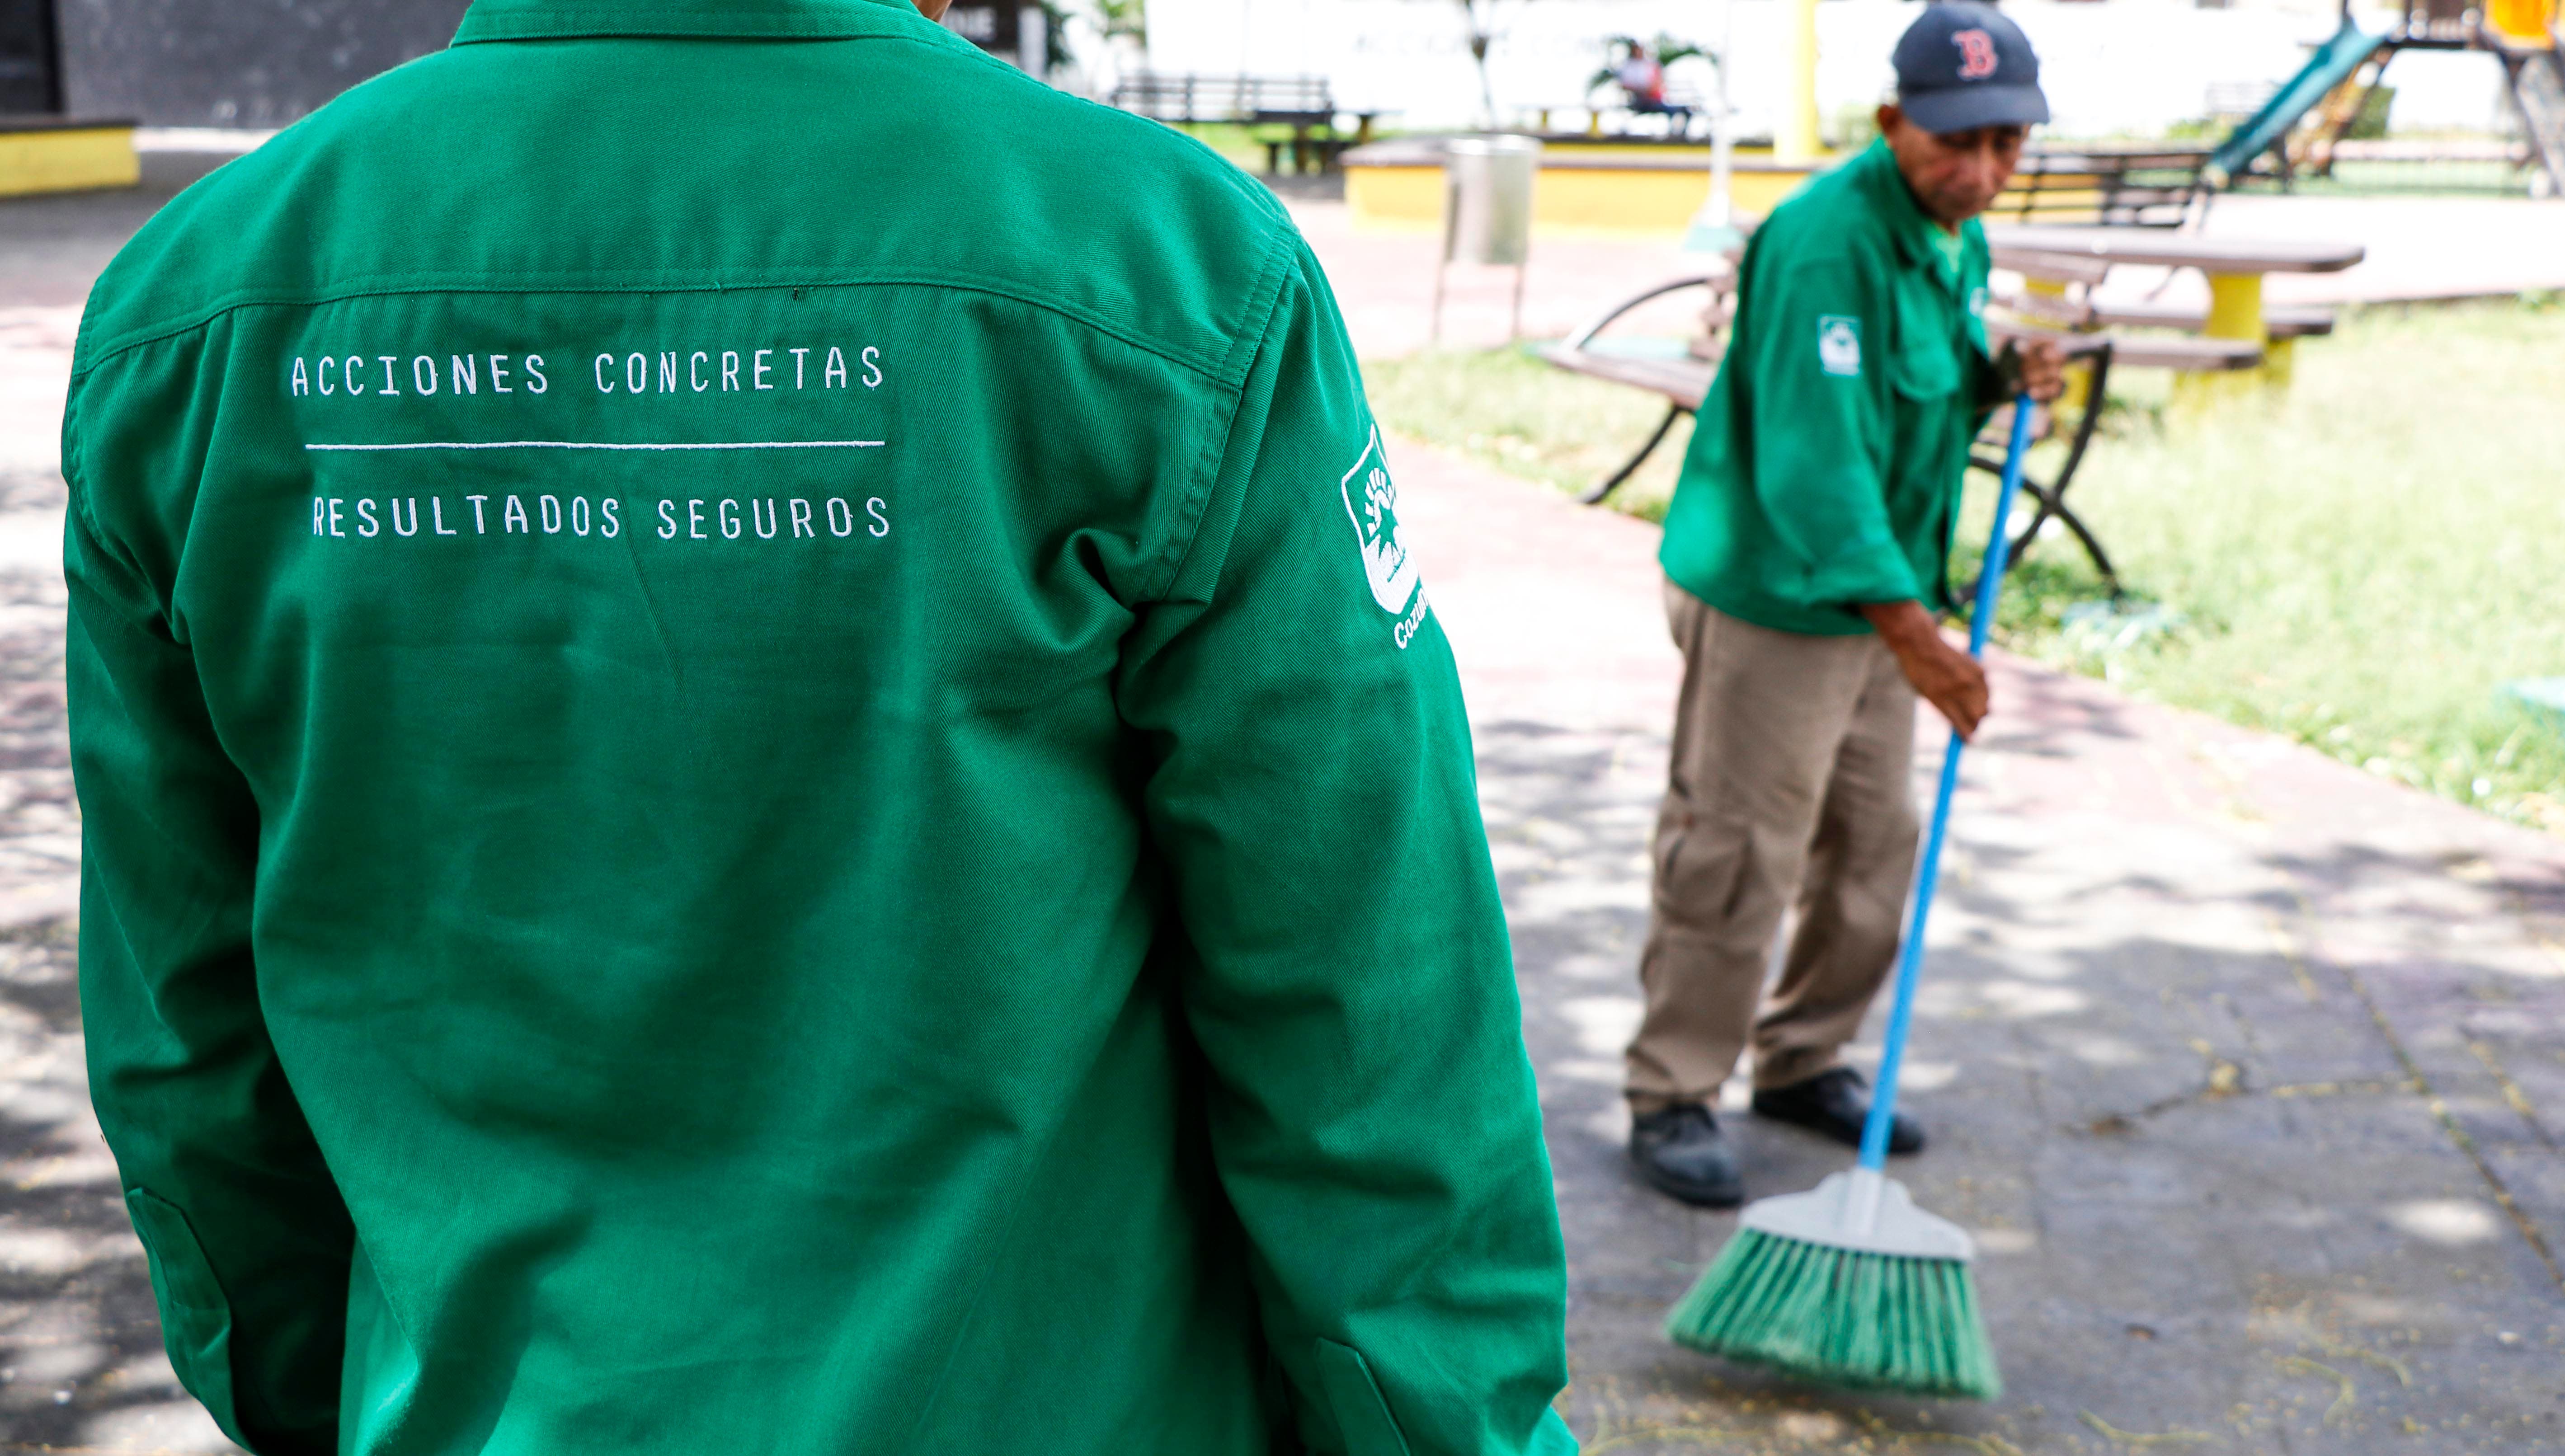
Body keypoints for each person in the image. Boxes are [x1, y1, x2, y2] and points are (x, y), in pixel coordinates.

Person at [63, 0, 1575, 1451]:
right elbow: (1363, 999)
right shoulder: (1163, 267)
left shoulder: (191, 310)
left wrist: (318, 1394)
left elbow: (187, 1050)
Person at [1620, 1, 2067, 1208]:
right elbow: (1816, 462)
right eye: (1954, 142)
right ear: (1890, 121)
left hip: (1879, 600)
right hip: (1781, 598)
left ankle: (1802, 1058)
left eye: (2006, 144)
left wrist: (1997, 374)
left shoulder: (1952, 234)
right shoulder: (1826, 241)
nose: (1981, 171)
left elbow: (1904, 394)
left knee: (1872, 847)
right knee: (1738, 848)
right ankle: (1671, 1089)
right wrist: (1917, 636)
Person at [1613, 41, 1692, 134]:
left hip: (1655, 99)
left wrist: (1652, 88)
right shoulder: (1629, 66)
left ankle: (1676, 134)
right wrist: (1644, 89)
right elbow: (1625, 86)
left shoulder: (1649, 64)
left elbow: (1658, 83)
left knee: (1684, 110)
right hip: (1640, 100)